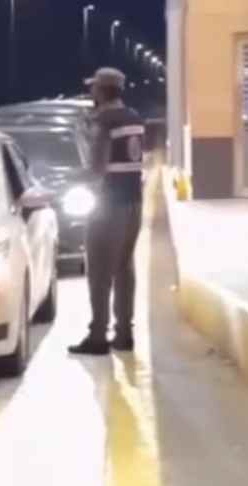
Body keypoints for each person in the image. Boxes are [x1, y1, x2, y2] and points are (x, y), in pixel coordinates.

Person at [69, 67, 146, 355]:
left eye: (93, 87)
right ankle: (124, 334)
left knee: (99, 273)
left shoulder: (103, 121)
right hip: (134, 202)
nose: (91, 91)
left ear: (100, 91)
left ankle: (98, 337)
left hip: (108, 205)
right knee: (125, 268)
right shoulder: (134, 117)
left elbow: (96, 169)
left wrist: (71, 177)